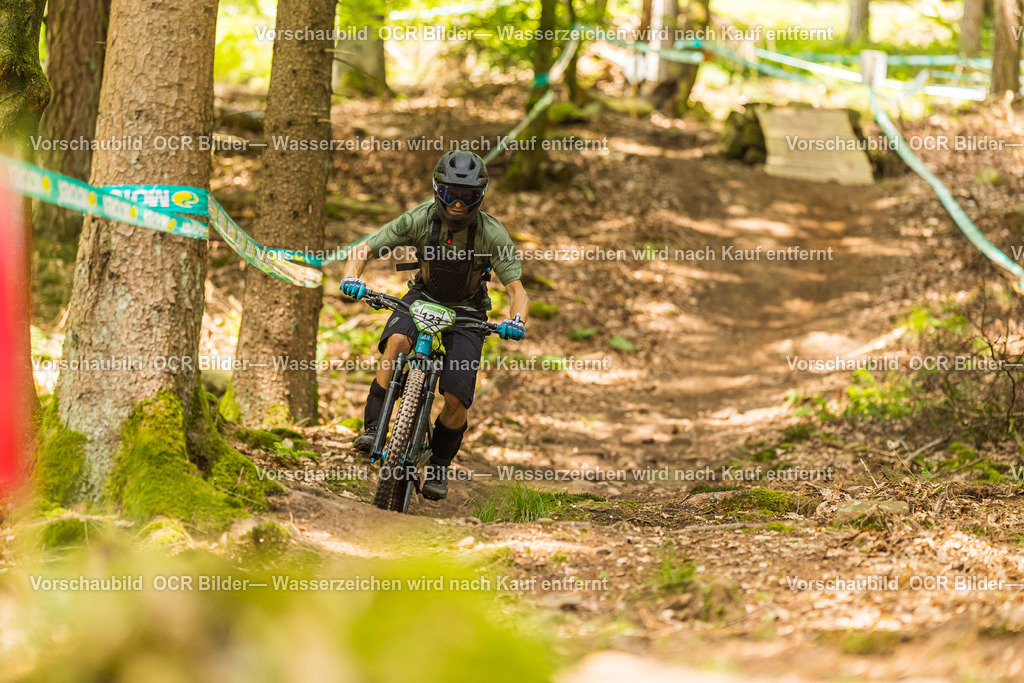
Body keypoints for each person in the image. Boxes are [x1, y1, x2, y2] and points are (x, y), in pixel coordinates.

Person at [340, 150, 529, 501]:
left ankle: (440, 464)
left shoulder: (491, 234)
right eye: (450, 194)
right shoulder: (419, 219)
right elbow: (364, 249)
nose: (458, 203)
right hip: (422, 298)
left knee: (457, 396)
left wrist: (516, 320)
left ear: (480, 197)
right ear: (437, 191)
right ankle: (373, 429)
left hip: (468, 312)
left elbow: (518, 290)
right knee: (397, 341)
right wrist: (352, 277)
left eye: (468, 196)